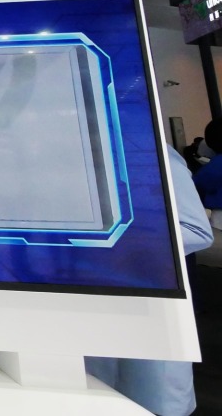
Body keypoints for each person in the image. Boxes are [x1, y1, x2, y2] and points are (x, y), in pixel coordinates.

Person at [86, 144, 214, 416]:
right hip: (87, 300)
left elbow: (196, 230)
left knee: (148, 395)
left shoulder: (149, 146)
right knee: (95, 393)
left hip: (147, 298)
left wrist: (108, 245)